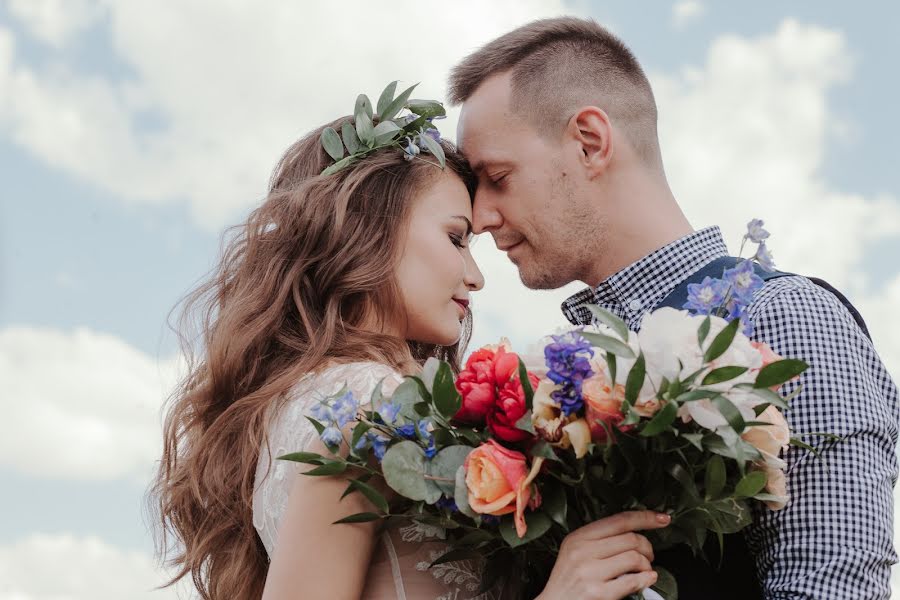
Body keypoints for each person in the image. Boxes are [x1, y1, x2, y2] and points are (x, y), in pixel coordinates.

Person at [450, 16, 899, 599]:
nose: (481, 216)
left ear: (590, 141)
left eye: (498, 177)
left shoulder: (786, 319)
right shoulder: (555, 374)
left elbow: (833, 591)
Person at [148, 104, 668, 599]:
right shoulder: (361, 404)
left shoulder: (331, 397)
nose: (476, 276)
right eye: (456, 238)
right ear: (368, 227)